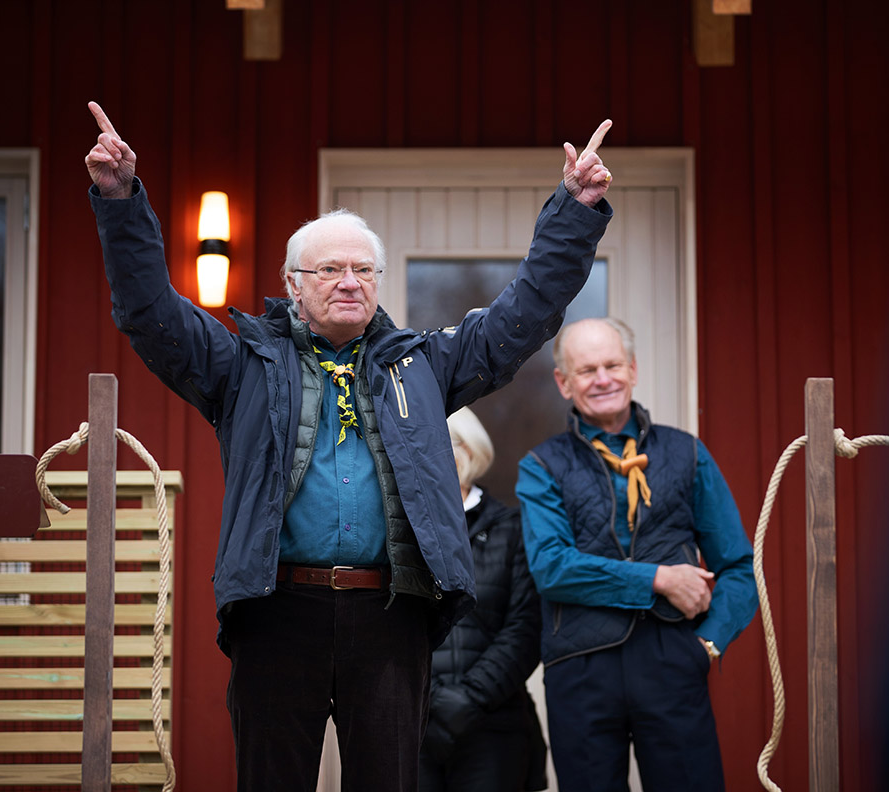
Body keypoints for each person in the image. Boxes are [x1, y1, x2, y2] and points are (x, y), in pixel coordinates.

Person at [84, 100, 614, 792]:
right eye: (330, 269)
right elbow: (150, 310)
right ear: (293, 287)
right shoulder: (242, 365)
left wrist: (572, 212)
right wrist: (120, 200)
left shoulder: (423, 365)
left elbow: (524, 314)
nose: (349, 281)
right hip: (276, 611)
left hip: (391, 614)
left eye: (364, 270)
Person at [516, 317, 758, 792]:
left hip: (672, 658)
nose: (602, 379)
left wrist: (706, 644)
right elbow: (552, 567)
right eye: (586, 370)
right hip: (580, 669)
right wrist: (659, 579)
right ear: (564, 383)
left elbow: (738, 567)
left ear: (633, 369)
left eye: (612, 365)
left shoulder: (687, 453)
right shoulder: (541, 466)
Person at [420, 407, 546, 792]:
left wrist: (467, 700)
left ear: (470, 451)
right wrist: (432, 700)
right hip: (413, 724)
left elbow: (524, 630)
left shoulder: (513, 530)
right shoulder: (396, 534)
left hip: (494, 724)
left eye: (443, 445)